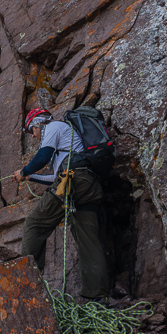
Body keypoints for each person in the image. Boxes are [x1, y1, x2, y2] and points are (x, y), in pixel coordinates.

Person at [13, 108, 110, 304]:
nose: (33, 134)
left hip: (73, 180)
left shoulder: (53, 127)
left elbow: (42, 156)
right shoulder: (66, 140)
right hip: (86, 183)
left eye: (31, 129)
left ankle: (28, 284)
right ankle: (98, 297)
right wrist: (32, 177)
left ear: (38, 122)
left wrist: (24, 171)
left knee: (34, 224)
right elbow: (55, 178)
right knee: (87, 240)